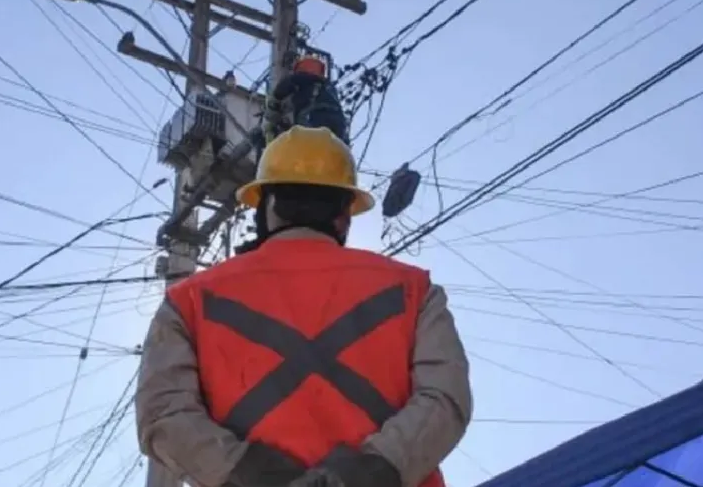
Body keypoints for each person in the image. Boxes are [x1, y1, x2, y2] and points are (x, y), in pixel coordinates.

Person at [135, 125, 473, 487]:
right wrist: (370, 471)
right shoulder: (415, 290)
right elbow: (445, 398)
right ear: (344, 215)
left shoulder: (187, 301)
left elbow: (164, 413)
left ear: (266, 206)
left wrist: (251, 472)